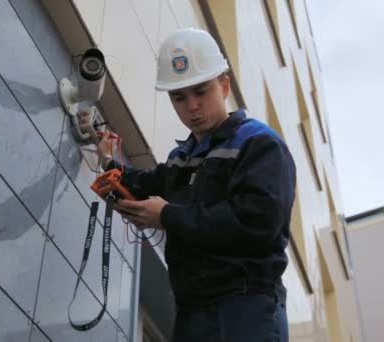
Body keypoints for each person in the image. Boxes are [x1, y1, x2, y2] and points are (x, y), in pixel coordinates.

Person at [97, 28, 296, 342]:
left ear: (224, 85)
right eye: (179, 97)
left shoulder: (260, 143)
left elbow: (256, 223)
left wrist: (167, 216)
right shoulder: (182, 158)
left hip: (247, 308)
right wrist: (109, 165)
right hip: (192, 313)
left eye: (201, 91)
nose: (191, 105)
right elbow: (144, 183)